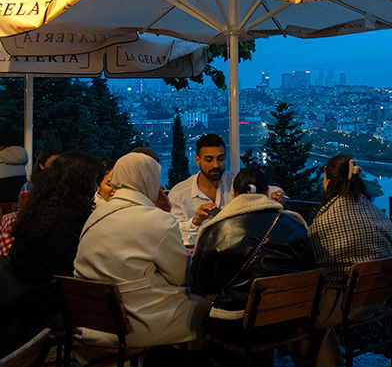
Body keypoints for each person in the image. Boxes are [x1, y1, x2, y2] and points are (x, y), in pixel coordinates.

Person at [190, 166, 313, 367]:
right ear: (268, 193)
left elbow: (201, 284)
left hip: (236, 327)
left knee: (215, 314)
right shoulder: (294, 223)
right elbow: (309, 266)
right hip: (289, 320)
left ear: (233, 193)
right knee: (255, 316)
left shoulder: (215, 229)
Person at [74, 152, 209, 347]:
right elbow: (181, 276)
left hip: (91, 319)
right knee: (205, 305)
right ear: (150, 179)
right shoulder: (155, 220)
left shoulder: (97, 213)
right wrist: (165, 216)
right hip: (132, 323)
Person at [295, 155, 392, 367]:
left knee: (296, 309)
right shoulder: (377, 213)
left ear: (328, 182)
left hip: (344, 306)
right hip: (377, 300)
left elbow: (312, 265)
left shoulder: (324, 222)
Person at [0, 151, 102, 353]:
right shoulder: (64, 219)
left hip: (24, 297)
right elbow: (69, 272)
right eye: (94, 181)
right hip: (43, 306)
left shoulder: (45, 206)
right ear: (79, 182)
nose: (96, 187)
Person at [168, 134, 235, 245]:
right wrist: (196, 221)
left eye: (221, 159)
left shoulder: (235, 183)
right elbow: (172, 234)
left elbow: (265, 192)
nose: (216, 165)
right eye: (209, 160)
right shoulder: (179, 194)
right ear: (197, 160)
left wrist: (273, 194)